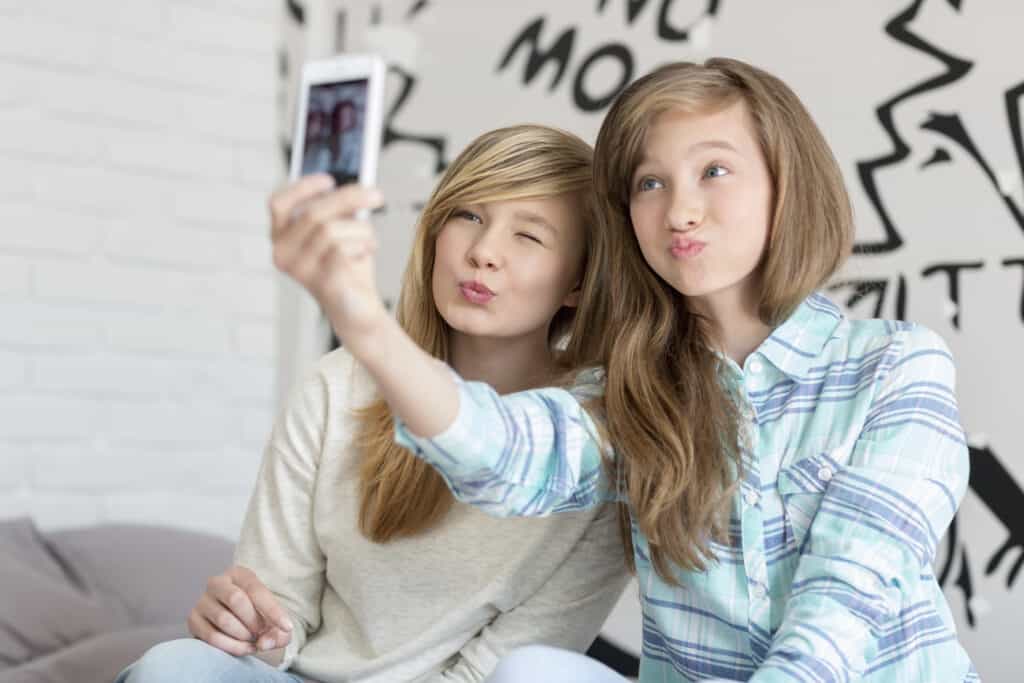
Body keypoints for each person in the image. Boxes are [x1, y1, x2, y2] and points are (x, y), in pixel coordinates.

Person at [312, 58, 975, 681]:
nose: (679, 211)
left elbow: (843, 606)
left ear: (787, 185)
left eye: (714, 170)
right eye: (649, 183)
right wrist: (365, 321)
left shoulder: (894, 366)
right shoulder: (630, 393)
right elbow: (501, 454)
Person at [113, 125, 629, 683]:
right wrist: (245, 631)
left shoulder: (591, 441)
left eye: (528, 237)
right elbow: (280, 618)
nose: (483, 253)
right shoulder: (337, 388)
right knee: (174, 667)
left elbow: (500, 671)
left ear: (577, 283)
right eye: (469, 217)